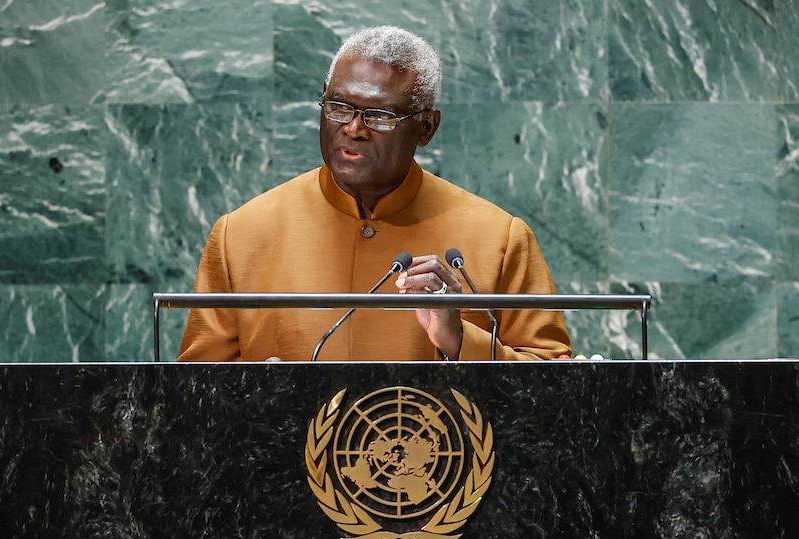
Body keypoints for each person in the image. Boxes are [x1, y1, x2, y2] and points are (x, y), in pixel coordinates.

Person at [177, 25, 571, 362]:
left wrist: (460, 339)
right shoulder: (240, 235)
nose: (354, 128)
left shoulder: (499, 239)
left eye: (381, 116)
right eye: (339, 106)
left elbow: (555, 387)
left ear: (426, 128)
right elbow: (192, 393)